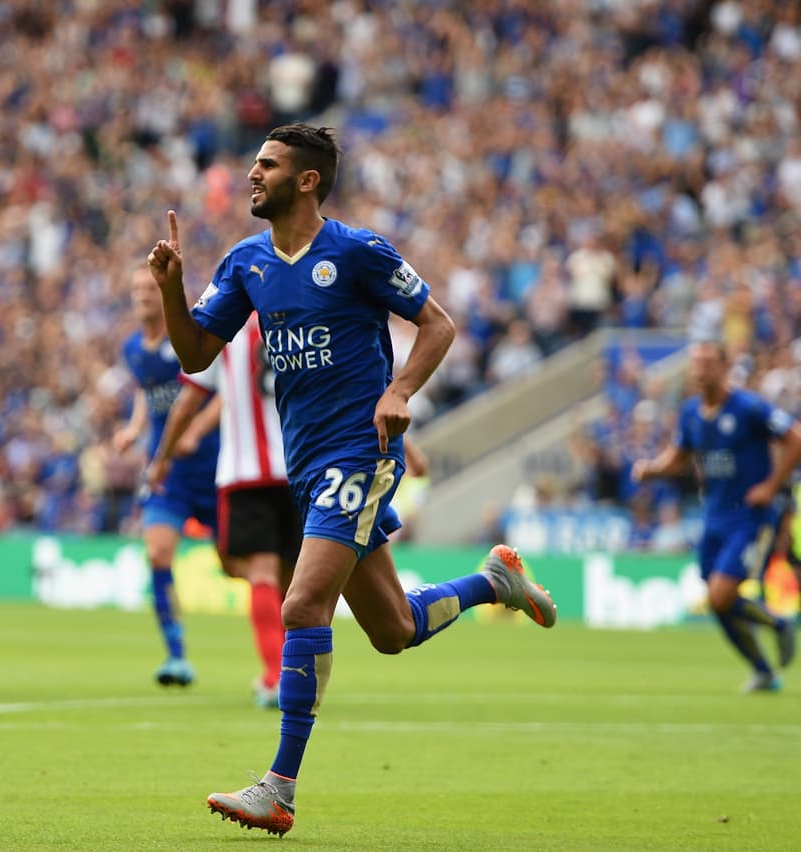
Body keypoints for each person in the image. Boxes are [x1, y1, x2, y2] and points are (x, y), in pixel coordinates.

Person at [146, 123, 557, 836]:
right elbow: (198, 353)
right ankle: (494, 582)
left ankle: (279, 788)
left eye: (267, 165)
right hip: (305, 464)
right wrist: (173, 290)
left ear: (306, 180)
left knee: (303, 605)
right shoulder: (246, 262)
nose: (252, 175)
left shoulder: (358, 252)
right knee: (392, 629)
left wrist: (400, 391)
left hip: (360, 455)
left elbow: (437, 325)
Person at [145, 312, 300, 710]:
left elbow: (187, 403)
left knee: (262, 574)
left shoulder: (223, 330)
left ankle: (275, 676)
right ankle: (296, 673)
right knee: (294, 582)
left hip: (246, 473)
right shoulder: (299, 317)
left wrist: (162, 458)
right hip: (300, 468)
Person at [633, 341, 801, 692]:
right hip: (714, 517)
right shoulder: (691, 413)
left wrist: (771, 486)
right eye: (696, 363)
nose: (700, 370)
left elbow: (795, 439)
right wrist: (652, 470)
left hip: (750, 517)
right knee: (716, 601)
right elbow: (678, 456)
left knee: (721, 595)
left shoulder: (748, 407)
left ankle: (778, 624)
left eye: (708, 363)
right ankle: (764, 670)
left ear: (724, 367)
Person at [114, 266, 221, 686]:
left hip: (215, 469)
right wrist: (134, 429)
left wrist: (195, 430)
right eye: (136, 289)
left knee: (240, 563)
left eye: (148, 289)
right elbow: (147, 394)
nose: (142, 295)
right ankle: (176, 655)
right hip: (167, 472)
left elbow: (223, 395)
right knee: (157, 553)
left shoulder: (190, 340)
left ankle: (286, 645)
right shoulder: (132, 349)